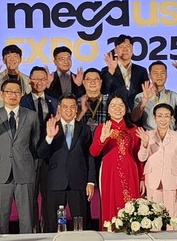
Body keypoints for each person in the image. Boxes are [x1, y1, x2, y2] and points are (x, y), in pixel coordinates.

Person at [0, 80, 40, 234]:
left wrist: (31, 168)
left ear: (22, 94)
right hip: (0, 173)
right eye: (9, 92)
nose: (13, 95)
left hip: (24, 172)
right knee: (0, 219)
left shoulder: (31, 115)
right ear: (2, 94)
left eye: (17, 92)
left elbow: (35, 145)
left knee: (27, 219)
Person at [38, 95, 96, 232]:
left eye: (72, 107)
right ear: (59, 108)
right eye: (65, 107)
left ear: (76, 109)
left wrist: (90, 181)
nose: (68, 110)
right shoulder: (50, 126)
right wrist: (49, 137)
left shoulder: (84, 129)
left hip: (78, 181)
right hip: (56, 180)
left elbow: (90, 156)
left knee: (80, 223)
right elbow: (40, 153)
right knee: (53, 224)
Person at [90, 94, 143, 224]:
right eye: (113, 105)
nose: (117, 108)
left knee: (131, 206)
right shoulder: (102, 128)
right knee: (110, 204)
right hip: (110, 171)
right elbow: (94, 152)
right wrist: (102, 139)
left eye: (121, 105)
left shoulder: (133, 129)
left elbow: (138, 156)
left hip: (130, 171)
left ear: (125, 109)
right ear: (108, 110)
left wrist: (143, 178)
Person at [20, 65, 58, 230]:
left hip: (49, 156)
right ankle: (33, 229)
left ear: (47, 81)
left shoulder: (54, 102)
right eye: (36, 79)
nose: (39, 82)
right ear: (29, 80)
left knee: (49, 196)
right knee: (31, 197)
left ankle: (48, 230)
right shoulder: (23, 101)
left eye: (43, 79)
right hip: (29, 155)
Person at [136, 104, 177, 221]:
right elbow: (141, 158)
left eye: (166, 116)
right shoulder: (148, 135)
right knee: (154, 219)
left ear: (171, 118)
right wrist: (145, 144)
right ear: (154, 118)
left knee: (172, 219)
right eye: (159, 116)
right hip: (153, 180)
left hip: (172, 181)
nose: (163, 119)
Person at [101, 35, 149, 110]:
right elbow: (104, 91)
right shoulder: (106, 70)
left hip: (136, 111)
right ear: (115, 50)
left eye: (128, 46)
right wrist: (111, 71)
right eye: (121, 46)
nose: (125, 49)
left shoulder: (141, 71)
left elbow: (146, 93)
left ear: (132, 49)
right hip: (116, 112)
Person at [132, 61, 177, 130]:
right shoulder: (140, 96)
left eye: (162, 73)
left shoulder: (174, 96)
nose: (159, 76)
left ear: (166, 75)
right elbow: (134, 118)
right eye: (155, 73)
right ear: (149, 76)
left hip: (170, 135)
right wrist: (144, 101)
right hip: (149, 135)